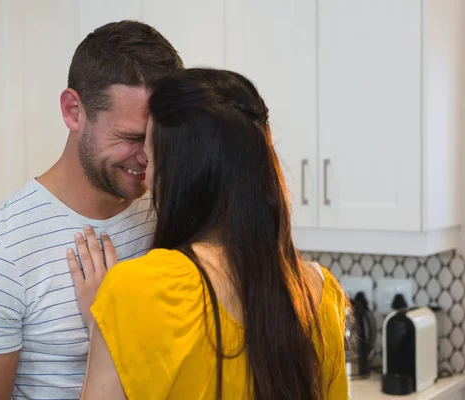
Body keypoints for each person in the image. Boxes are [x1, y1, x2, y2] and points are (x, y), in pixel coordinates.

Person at [67, 68, 349, 399]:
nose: (146, 175)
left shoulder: (137, 290)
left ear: (179, 173)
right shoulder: (319, 294)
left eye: (152, 155)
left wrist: (108, 325)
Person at [0, 20, 183, 399]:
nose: (148, 157)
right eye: (132, 137)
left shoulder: (169, 213)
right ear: (73, 112)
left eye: (159, 139)